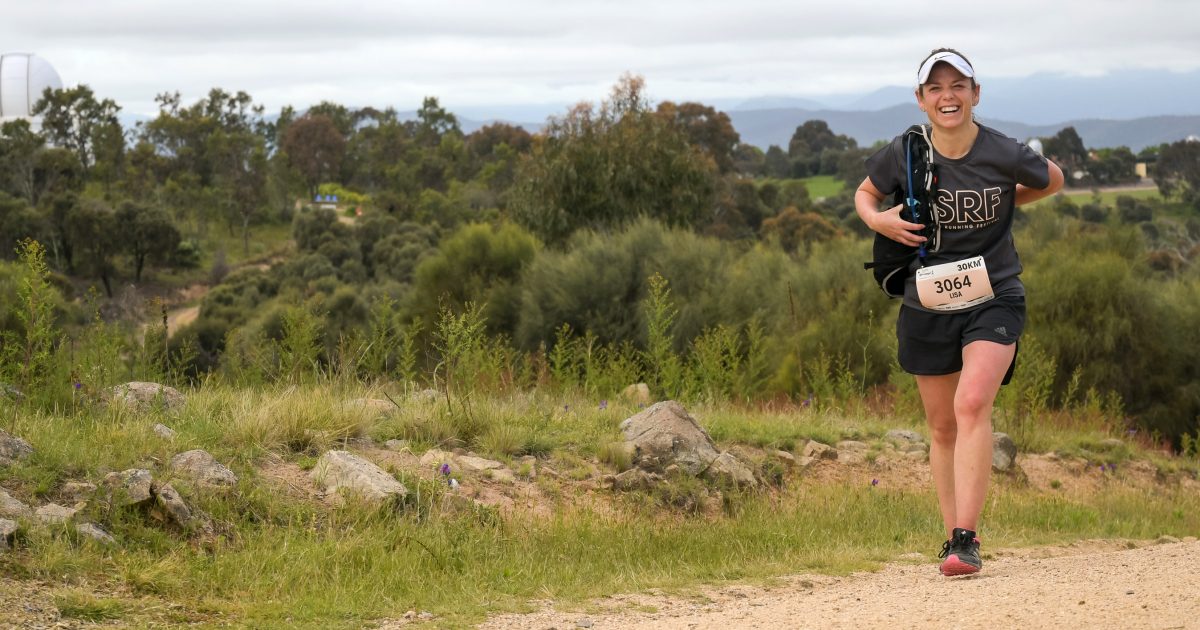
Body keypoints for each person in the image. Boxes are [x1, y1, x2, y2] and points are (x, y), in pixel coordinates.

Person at [854, 48, 1064, 576]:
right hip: (928, 299)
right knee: (942, 426)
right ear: (921, 99)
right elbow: (865, 194)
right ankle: (951, 540)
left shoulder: (1001, 150)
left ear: (976, 93)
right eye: (936, 88)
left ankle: (967, 539)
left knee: (973, 404)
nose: (948, 96)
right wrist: (880, 222)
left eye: (958, 86)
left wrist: (1009, 199)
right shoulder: (906, 149)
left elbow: (1053, 178)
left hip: (995, 294)